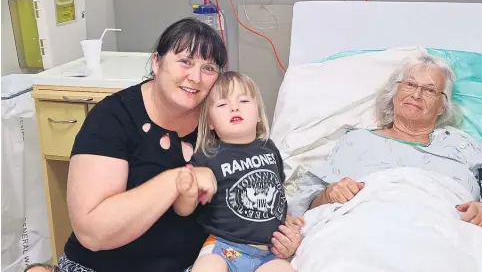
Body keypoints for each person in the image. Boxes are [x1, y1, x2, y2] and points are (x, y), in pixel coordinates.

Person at [60, 18, 301, 272]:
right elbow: (93, 232)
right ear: (157, 62)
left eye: (208, 68)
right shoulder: (114, 117)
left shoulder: (222, 122)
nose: (195, 77)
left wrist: (283, 235)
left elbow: (259, 191)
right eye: (185, 61)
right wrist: (178, 180)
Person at [289, 52, 482, 230]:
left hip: (445, 231)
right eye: (410, 85)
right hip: (364, 230)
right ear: (394, 94)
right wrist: (329, 194)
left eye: (430, 90)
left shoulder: (462, 145)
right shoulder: (356, 141)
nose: (417, 95)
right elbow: (307, 206)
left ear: (442, 106)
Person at [174, 71, 303, 272]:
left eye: (243, 100)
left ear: (259, 113)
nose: (234, 107)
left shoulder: (269, 148)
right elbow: (185, 208)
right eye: (222, 105)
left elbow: (277, 193)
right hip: (223, 248)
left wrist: (287, 218)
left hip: (267, 254)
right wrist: (185, 189)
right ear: (210, 122)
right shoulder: (207, 156)